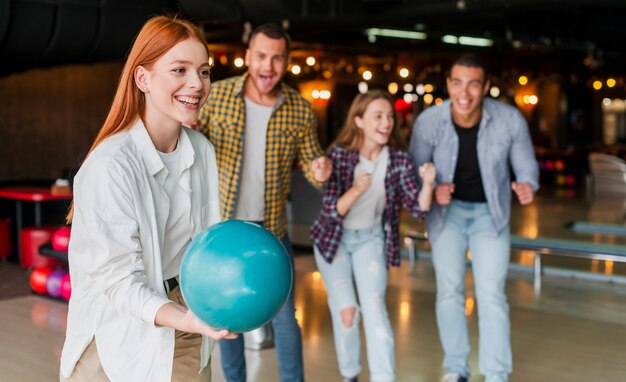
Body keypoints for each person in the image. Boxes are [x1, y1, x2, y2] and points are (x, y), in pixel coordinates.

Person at [59, 16, 237, 382]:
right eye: (179, 70)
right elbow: (119, 280)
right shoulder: (111, 164)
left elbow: (205, 241)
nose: (196, 84)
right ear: (143, 78)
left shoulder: (201, 150)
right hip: (115, 331)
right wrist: (185, 317)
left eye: (203, 72)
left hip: (186, 312)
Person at [197, 23, 332, 382]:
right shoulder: (218, 95)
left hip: (271, 231)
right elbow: (191, 141)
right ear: (248, 57)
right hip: (223, 231)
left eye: (276, 58)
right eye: (261, 56)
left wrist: (321, 169)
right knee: (227, 316)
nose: (267, 66)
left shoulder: (299, 110)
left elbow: (312, 161)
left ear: (286, 62)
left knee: (286, 319)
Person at [409, 55, 539, 382]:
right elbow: (413, 173)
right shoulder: (428, 121)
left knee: (491, 294)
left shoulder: (509, 120)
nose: (464, 93)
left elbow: (526, 166)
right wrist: (432, 188)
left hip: (490, 217)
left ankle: (496, 373)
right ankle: (456, 368)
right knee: (449, 291)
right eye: (457, 83)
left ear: (485, 87)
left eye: (473, 84)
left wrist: (527, 185)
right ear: (448, 84)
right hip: (446, 215)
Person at [311, 90, 435, 382]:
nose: (387, 122)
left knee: (376, 313)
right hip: (333, 242)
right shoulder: (339, 156)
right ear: (358, 121)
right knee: (347, 314)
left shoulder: (399, 161)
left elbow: (418, 209)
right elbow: (330, 213)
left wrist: (428, 183)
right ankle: (350, 375)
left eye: (390, 116)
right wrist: (356, 189)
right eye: (378, 116)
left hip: (371, 239)